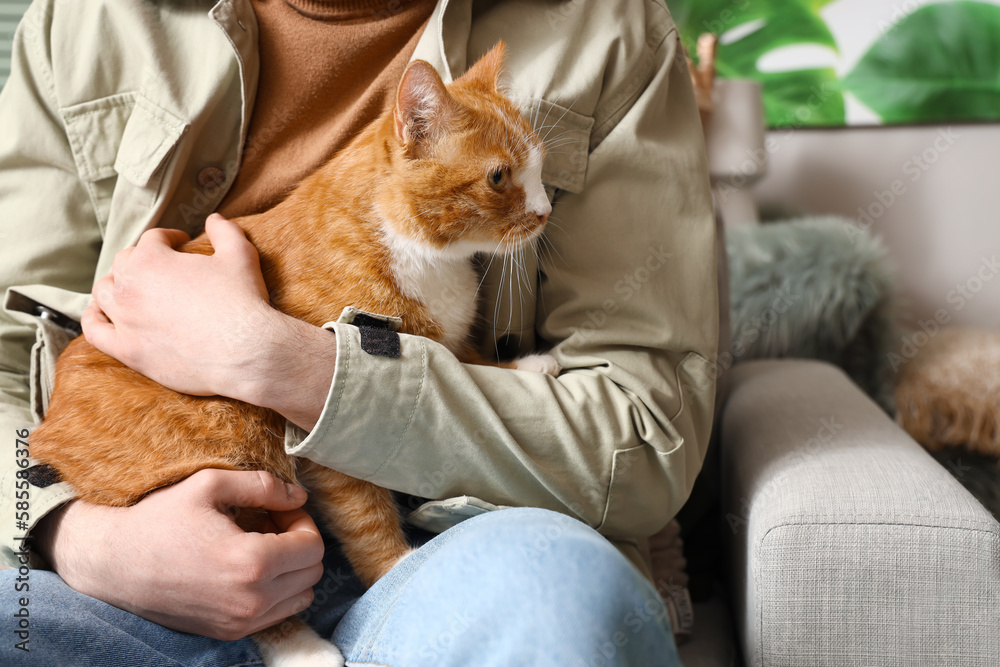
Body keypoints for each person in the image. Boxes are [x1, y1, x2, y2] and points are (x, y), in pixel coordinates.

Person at [0, 0, 718, 664]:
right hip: (126, 542)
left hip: (456, 539)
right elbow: (5, 362)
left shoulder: (608, 26)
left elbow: (648, 432)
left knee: (560, 599)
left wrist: (287, 363)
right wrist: (72, 532)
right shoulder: (87, 16)